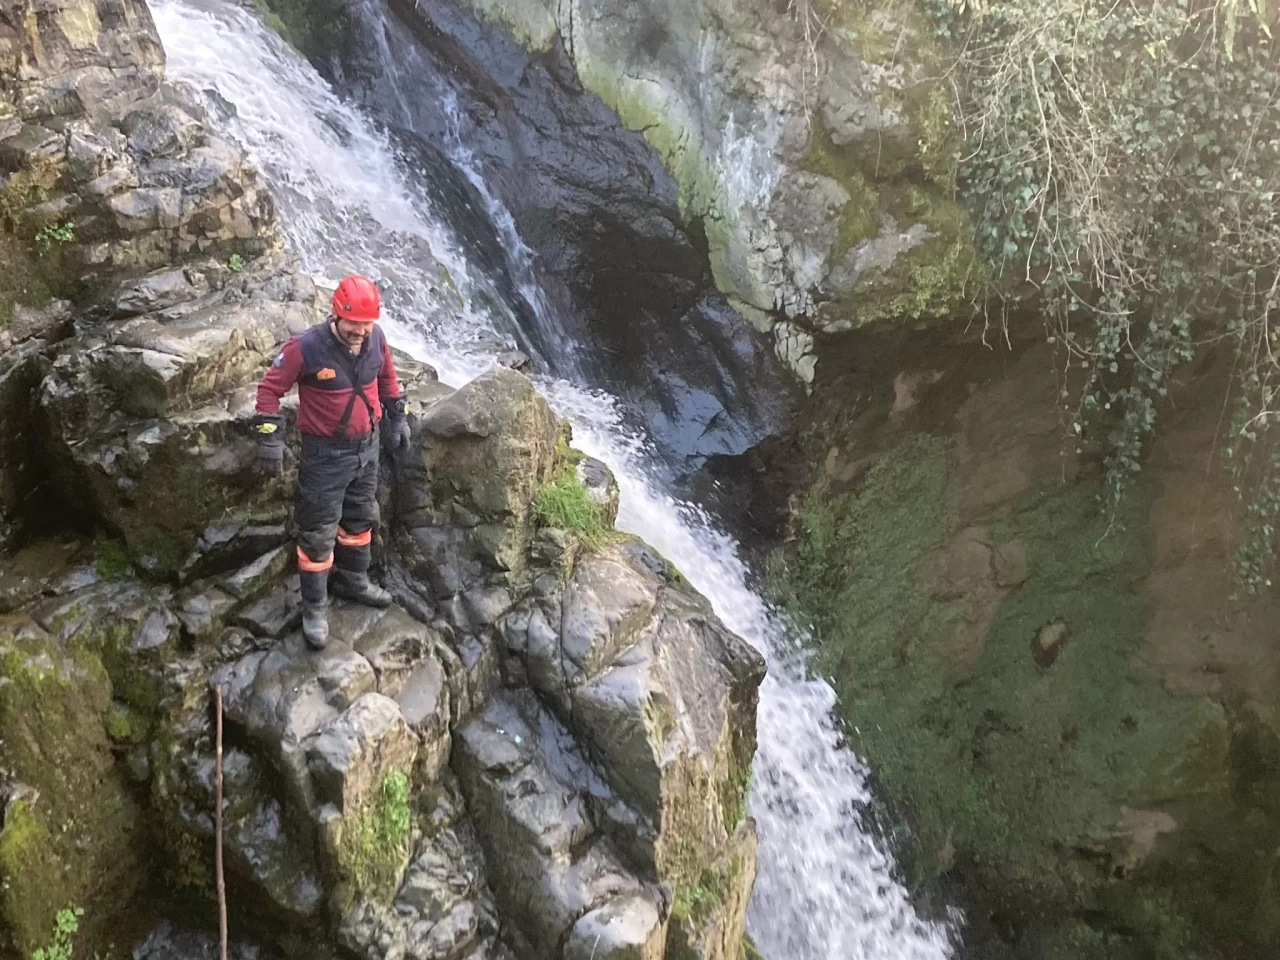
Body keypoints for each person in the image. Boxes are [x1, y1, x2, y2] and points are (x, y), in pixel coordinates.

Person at [251, 274, 411, 649]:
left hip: (366, 449)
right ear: (336, 313)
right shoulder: (305, 348)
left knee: (360, 517)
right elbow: (268, 391)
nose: (359, 331)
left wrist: (397, 417)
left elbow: (388, 379)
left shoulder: (377, 340)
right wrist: (269, 440)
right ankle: (315, 609)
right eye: (353, 323)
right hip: (325, 456)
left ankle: (354, 581)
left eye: (366, 324)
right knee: (318, 531)